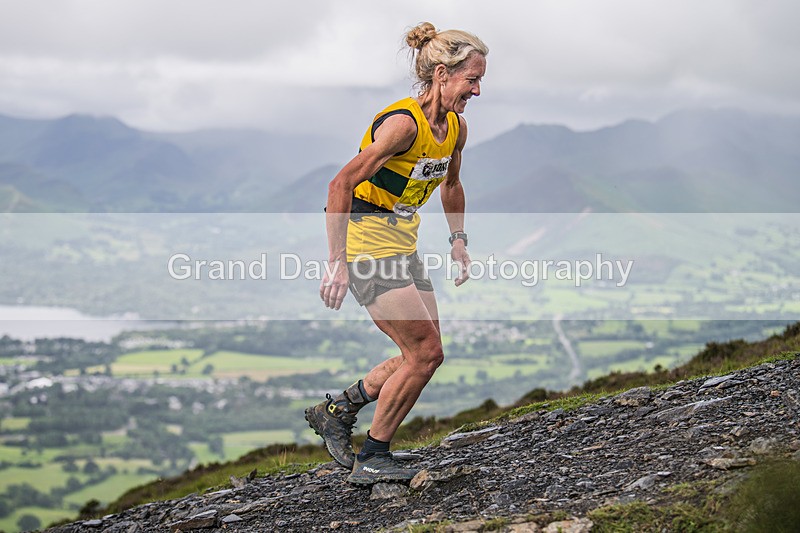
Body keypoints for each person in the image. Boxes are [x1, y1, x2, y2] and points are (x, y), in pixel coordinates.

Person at [305, 21, 487, 485]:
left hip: (401, 242)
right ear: (442, 74)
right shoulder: (403, 124)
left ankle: (338, 409)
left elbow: (452, 184)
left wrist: (458, 240)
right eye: (472, 79)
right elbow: (340, 183)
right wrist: (337, 262)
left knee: (423, 352)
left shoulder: (454, 129)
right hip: (366, 240)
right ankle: (372, 457)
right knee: (424, 353)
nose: (478, 90)